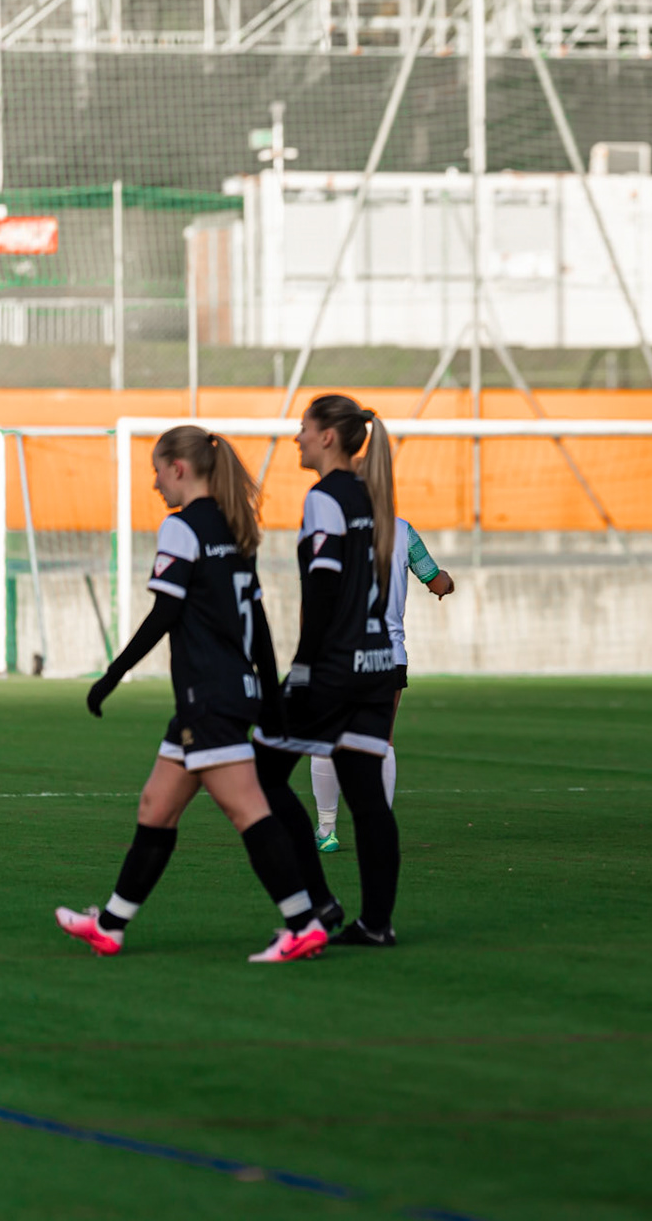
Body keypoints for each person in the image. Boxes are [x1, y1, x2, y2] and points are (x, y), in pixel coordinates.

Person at [58, 426, 325, 963]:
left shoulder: (181, 528)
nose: (155, 483)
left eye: (158, 470)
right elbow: (261, 625)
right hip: (226, 693)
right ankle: (110, 926)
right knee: (157, 806)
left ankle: (302, 922)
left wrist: (112, 674)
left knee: (249, 809)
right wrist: (269, 700)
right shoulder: (234, 527)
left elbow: (166, 613)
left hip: (210, 696)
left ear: (179, 468)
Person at [252, 394, 405, 948]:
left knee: (261, 775)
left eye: (303, 428)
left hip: (336, 669)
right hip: (377, 664)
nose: (296, 437)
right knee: (366, 796)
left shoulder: (325, 497)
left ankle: (317, 903)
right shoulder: (374, 494)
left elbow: (322, 587)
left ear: (328, 438)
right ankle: (377, 924)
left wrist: (303, 667)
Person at [310, 515, 454, 852]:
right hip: (388, 654)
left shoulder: (333, 527)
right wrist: (448, 585)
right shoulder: (403, 530)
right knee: (382, 742)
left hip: (340, 653)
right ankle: (377, 830)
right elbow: (434, 580)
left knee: (327, 739)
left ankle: (326, 829)